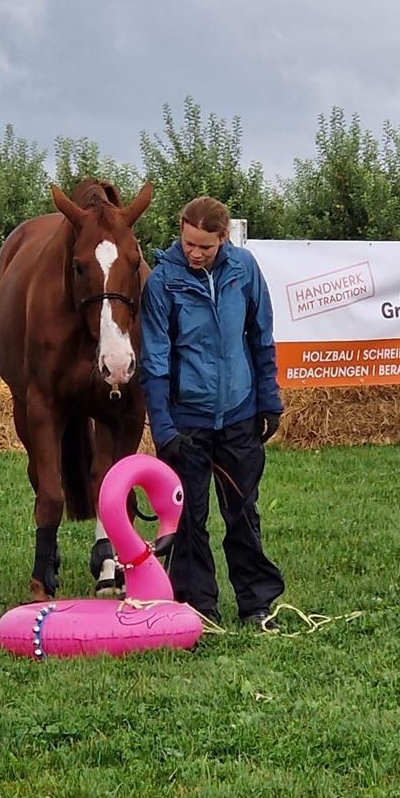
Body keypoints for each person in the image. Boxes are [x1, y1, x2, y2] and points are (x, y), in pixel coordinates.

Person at [139, 196, 285, 629]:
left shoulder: (245, 271)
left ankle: (257, 604)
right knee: (188, 519)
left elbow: (261, 338)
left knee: (243, 512)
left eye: (205, 245)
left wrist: (269, 401)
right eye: (188, 243)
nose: (195, 252)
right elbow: (155, 361)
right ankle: (196, 609)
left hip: (239, 414)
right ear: (180, 231)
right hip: (188, 423)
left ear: (224, 238)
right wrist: (164, 430)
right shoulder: (163, 282)